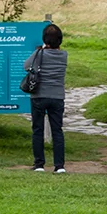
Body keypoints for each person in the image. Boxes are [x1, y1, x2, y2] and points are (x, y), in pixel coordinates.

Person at [26, 24, 68, 173]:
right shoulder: (64, 55)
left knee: (38, 129)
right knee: (57, 131)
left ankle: (39, 164)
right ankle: (59, 166)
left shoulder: (40, 54)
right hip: (57, 96)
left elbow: (26, 66)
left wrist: (40, 49)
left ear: (45, 39)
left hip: (39, 95)